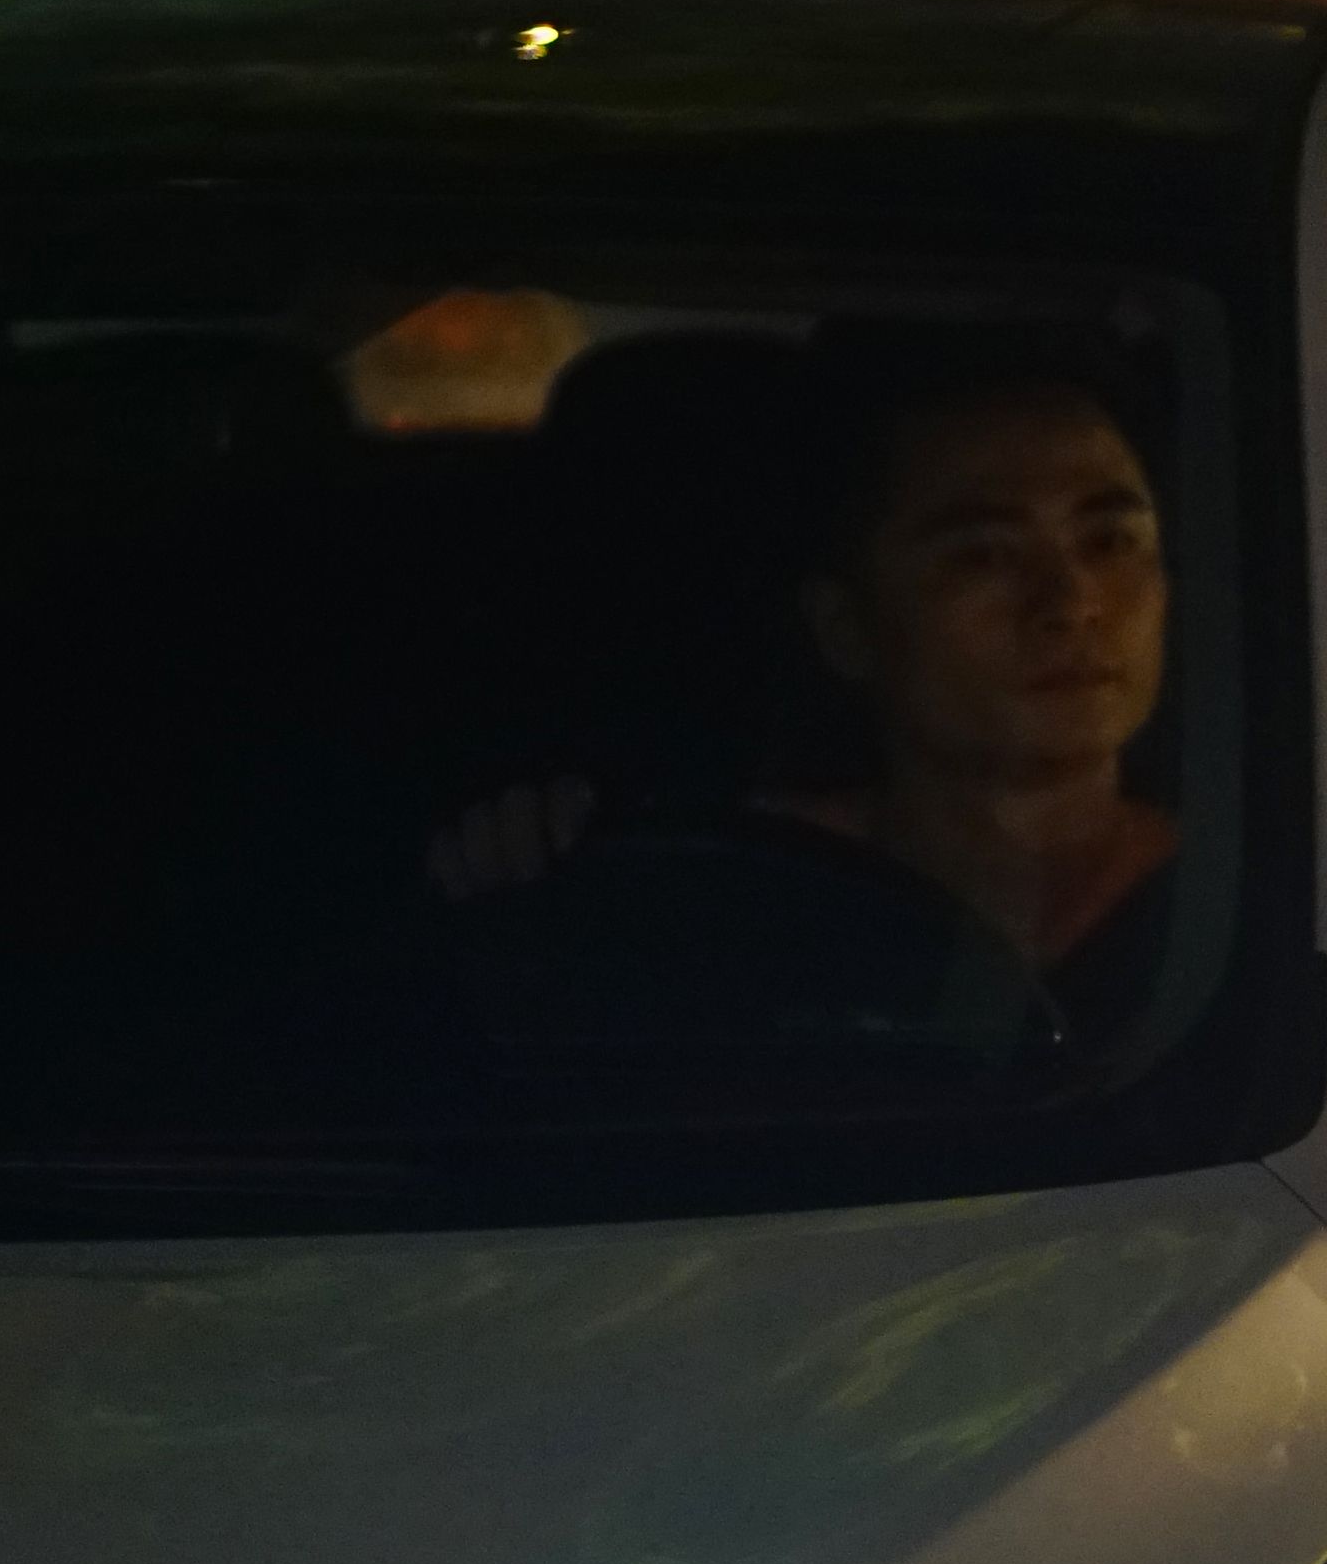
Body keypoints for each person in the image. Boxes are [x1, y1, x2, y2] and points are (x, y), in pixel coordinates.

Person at [435, 355, 1187, 1049]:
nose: (1071, 602)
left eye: (1111, 542)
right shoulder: (715, 900)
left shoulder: (1251, 904)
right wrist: (522, 886)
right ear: (845, 628)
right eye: (982, 554)